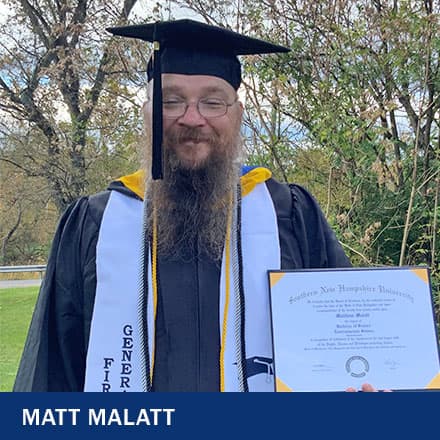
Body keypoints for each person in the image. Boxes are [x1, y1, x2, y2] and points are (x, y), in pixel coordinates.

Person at [14, 19, 352, 392]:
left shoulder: (290, 215)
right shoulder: (94, 224)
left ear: (237, 115)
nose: (193, 119)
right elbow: (50, 377)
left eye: (212, 102)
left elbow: (343, 349)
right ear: (146, 114)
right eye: (171, 101)